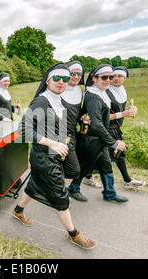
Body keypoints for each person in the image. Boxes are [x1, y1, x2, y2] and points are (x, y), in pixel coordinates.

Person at [12, 63, 96, 250]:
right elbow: (23, 130)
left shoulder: (57, 99)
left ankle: (18, 211)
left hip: (53, 153)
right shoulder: (42, 101)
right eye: (56, 78)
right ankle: (74, 234)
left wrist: (62, 141)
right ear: (47, 80)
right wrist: (52, 143)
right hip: (43, 156)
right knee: (60, 196)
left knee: (38, 184)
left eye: (65, 79)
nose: (61, 82)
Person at [70, 64, 129, 203]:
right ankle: (73, 189)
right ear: (94, 78)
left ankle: (109, 193)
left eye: (111, 77)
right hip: (91, 140)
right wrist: (114, 143)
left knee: (106, 165)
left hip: (99, 140)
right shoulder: (94, 97)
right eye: (104, 77)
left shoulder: (101, 93)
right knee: (85, 167)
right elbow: (96, 125)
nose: (108, 80)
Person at [105, 66, 145, 188]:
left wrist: (130, 110)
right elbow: (103, 117)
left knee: (118, 154)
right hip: (106, 129)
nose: (116, 79)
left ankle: (127, 181)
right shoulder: (106, 92)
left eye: (119, 76)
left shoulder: (122, 90)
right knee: (103, 157)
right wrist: (123, 114)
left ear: (125, 78)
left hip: (116, 128)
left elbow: (119, 110)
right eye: (113, 76)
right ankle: (80, 181)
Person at [61, 61, 88, 202]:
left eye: (79, 74)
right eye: (73, 73)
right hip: (59, 135)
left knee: (65, 167)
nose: (76, 77)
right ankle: (60, 194)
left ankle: (61, 191)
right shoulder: (60, 88)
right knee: (73, 169)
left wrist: (82, 118)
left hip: (73, 133)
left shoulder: (79, 91)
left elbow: (76, 113)